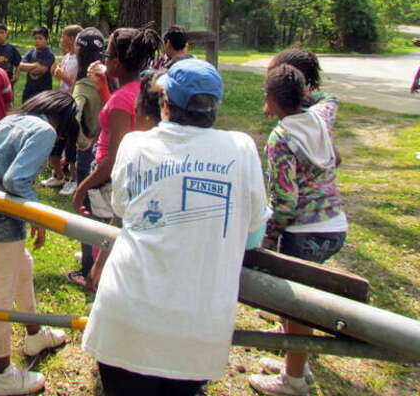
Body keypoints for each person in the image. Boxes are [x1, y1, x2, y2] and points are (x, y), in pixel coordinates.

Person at [82, 58, 271, 396]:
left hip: (125, 315)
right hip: (196, 328)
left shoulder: (135, 145)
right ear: (215, 106)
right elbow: (254, 233)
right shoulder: (242, 148)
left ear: (165, 103)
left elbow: (123, 209)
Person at [0, 91, 77, 396]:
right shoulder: (45, 131)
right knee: (1, 291)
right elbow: (17, 179)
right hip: (5, 216)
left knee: (22, 265)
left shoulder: (10, 119)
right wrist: (37, 217)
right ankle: (3, 374)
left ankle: (34, 332)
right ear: (64, 118)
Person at [248, 64, 347, 396]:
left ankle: (293, 380)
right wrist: (305, 93)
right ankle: (296, 361)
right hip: (334, 225)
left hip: (303, 231)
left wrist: (269, 232)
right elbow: (330, 97)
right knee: (297, 302)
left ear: (272, 98)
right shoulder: (319, 117)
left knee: (296, 305)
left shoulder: (282, 137)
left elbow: (286, 200)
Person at [72, 27, 162, 234]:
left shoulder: (122, 98)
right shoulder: (142, 89)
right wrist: (103, 85)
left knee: (100, 235)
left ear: (115, 63)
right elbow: (115, 113)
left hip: (108, 180)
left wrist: (81, 189)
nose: (103, 59)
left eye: (106, 55)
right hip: (134, 176)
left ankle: (93, 266)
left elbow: (114, 159)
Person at [65, 27, 106, 287]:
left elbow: (75, 114)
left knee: (87, 210)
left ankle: (88, 268)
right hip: (111, 148)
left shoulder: (83, 84)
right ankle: (100, 258)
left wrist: (81, 142)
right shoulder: (108, 75)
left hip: (90, 152)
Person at [41, 24, 83, 196]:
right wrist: (55, 71)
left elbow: (79, 85)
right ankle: (58, 175)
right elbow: (62, 78)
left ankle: (74, 178)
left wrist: (63, 76)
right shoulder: (67, 56)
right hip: (61, 104)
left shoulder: (81, 60)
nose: (60, 40)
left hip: (72, 105)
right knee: (56, 140)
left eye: (62, 36)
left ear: (72, 39)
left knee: (71, 143)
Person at [18, 26, 55, 103]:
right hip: (29, 90)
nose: (37, 41)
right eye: (35, 38)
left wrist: (28, 67)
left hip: (43, 92)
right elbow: (20, 66)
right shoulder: (30, 52)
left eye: (40, 38)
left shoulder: (49, 55)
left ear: (46, 40)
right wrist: (35, 65)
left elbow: (41, 70)